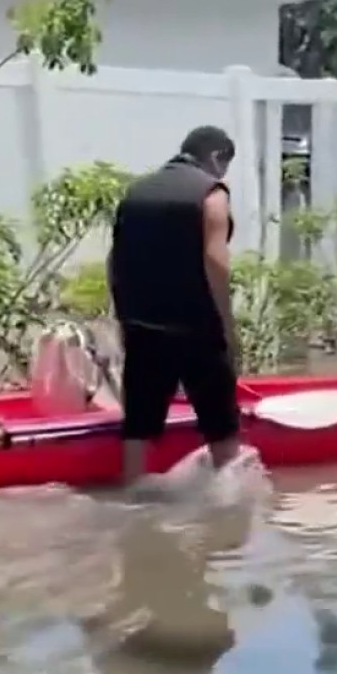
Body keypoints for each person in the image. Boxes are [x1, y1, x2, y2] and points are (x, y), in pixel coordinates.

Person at [107, 125, 245, 488]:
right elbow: (215, 261)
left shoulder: (136, 193)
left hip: (142, 326)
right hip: (195, 327)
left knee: (138, 425)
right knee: (222, 429)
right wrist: (228, 327)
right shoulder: (211, 195)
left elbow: (115, 261)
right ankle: (232, 518)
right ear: (216, 157)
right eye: (224, 165)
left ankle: (131, 493)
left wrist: (124, 319)